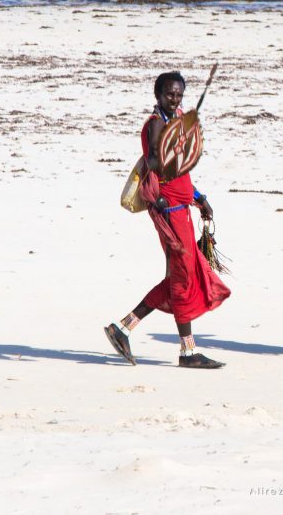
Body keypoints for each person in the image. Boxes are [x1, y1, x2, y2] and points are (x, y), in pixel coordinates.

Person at [104, 71, 231, 369]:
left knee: (180, 277)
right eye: (169, 94)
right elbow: (155, 163)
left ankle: (123, 328)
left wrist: (199, 197)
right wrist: (164, 157)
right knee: (184, 276)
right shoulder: (156, 125)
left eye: (178, 95)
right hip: (168, 210)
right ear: (158, 95)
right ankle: (186, 352)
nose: (174, 99)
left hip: (182, 206)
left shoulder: (175, 122)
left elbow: (181, 167)